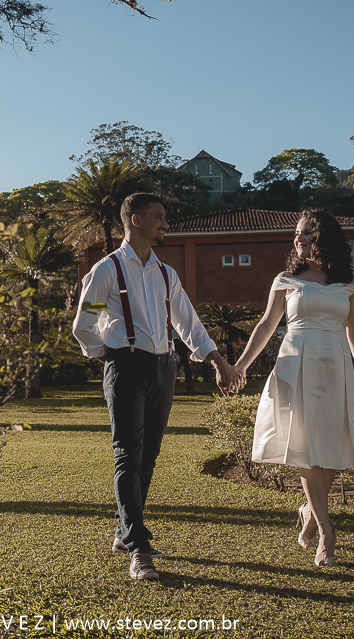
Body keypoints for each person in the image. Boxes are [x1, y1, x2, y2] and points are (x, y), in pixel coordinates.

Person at [72, 192, 242, 582]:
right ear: (136, 221)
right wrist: (111, 355)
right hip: (126, 366)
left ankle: (123, 531)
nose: (166, 223)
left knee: (148, 455)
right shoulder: (107, 270)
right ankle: (138, 547)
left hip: (165, 367)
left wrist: (217, 361)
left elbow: (188, 323)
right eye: (159, 217)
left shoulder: (167, 274)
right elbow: (84, 324)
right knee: (127, 455)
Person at [232, 208, 354, 568]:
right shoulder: (286, 279)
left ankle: (309, 511)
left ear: (323, 237)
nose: (298, 239)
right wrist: (240, 365)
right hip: (296, 365)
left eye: (306, 233)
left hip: (336, 367)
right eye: (296, 234)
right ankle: (327, 532)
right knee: (308, 447)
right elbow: (267, 324)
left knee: (332, 447)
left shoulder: (347, 283)